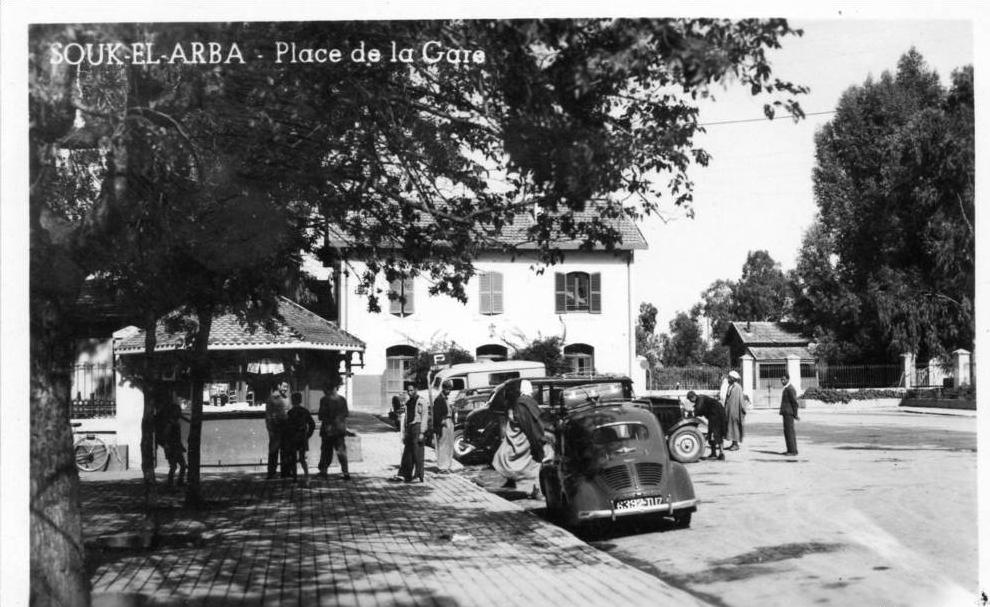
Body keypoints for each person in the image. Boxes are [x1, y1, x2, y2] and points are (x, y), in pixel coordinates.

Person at [492, 379, 546, 499]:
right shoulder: (527, 403)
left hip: (524, 440)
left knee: (530, 467)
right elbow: (531, 424)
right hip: (529, 440)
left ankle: (531, 490)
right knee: (535, 466)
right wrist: (539, 439)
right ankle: (536, 491)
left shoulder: (519, 403)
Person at [154, 388, 189, 487]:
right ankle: (170, 484)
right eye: (178, 411)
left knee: (182, 466)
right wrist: (166, 445)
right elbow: (166, 434)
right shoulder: (170, 423)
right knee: (174, 466)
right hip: (172, 447)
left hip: (176, 447)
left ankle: (179, 482)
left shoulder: (175, 422)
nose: (179, 412)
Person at [395, 382, 429, 483]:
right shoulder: (408, 402)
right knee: (407, 453)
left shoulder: (421, 401)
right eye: (408, 391)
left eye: (411, 390)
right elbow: (406, 417)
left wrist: (422, 432)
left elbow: (424, 417)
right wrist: (405, 432)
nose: (410, 392)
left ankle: (418, 475)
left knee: (417, 452)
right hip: (409, 428)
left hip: (417, 427)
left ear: (416, 390)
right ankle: (405, 474)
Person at [318, 380, 351, 480]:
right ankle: (346, 472)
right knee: (341, 452)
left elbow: (321, 416)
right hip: (340, 430)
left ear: (328, 388)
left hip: (328, 430)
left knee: (326, 451)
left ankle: (324, 471)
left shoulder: (324, 400)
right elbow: (346, 414)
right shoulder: (342, 399)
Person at [284, 391, 316, 482]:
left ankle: (295, 478)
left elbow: (287, 427)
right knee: (302, 458)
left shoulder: (290, 412)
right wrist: (308, 435)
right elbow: (312, 424)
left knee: (293, 458)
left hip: (293, 438)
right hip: (302, 437)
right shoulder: (305, 411)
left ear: (292, 401)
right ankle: (307, 476)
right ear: (301, 400)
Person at [686, 390, 725, 460]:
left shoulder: (700, 399)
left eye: (690, 399)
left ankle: (721, 454)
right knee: (714, 433)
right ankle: (715, 453)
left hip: (716, 415)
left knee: (715, 433)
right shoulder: (700, 398)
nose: (690, 401)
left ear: (693, 397)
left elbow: (698, 410)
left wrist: (691, 414)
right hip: (716, 414)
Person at [265, 381, 291, 479]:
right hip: (275, 429)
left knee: (285, 451)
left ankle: (285, 472)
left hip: (285, 428)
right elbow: (268, 415)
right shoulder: (272, 398)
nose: (285, 389)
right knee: (273, 451)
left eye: (287, 387)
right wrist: (270, 429)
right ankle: (271, 473)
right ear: (278, 386)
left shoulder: (287, 399)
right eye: (284, 386)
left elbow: (288, 413)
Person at [433, 381, 455, 473]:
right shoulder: (439, 399)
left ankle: (447, 465)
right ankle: (442, 467)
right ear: (444, 388)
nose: (449, 391)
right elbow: (437, 414)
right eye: (448, 389)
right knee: (443, 445)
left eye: (450, 389)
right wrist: (442, 422)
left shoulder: (445, 398)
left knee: (449, 445)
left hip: (449, 421)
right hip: (444, 422)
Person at [779, 372, 800, 456]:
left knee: (789, 432)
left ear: (788, 379)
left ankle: (792, 451)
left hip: (789, 413)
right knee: (787, 431)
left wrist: (795, 414)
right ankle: (791, 449)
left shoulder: (790, 389)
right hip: (786, 413)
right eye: (781, 379)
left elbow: (794, 403)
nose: (782, 381)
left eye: (783, 379)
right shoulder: (786, 388)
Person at [724, 370, 745, 451]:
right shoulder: (731, 386)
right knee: (730, 427)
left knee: (735, 427)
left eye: (729, 377)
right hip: (730, 410)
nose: (728, 379)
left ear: (733, 378)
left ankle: (736, 444)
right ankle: (733, 443)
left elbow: (740, 400)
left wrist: (741, 411)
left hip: (735, 411)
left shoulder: (737, 387)